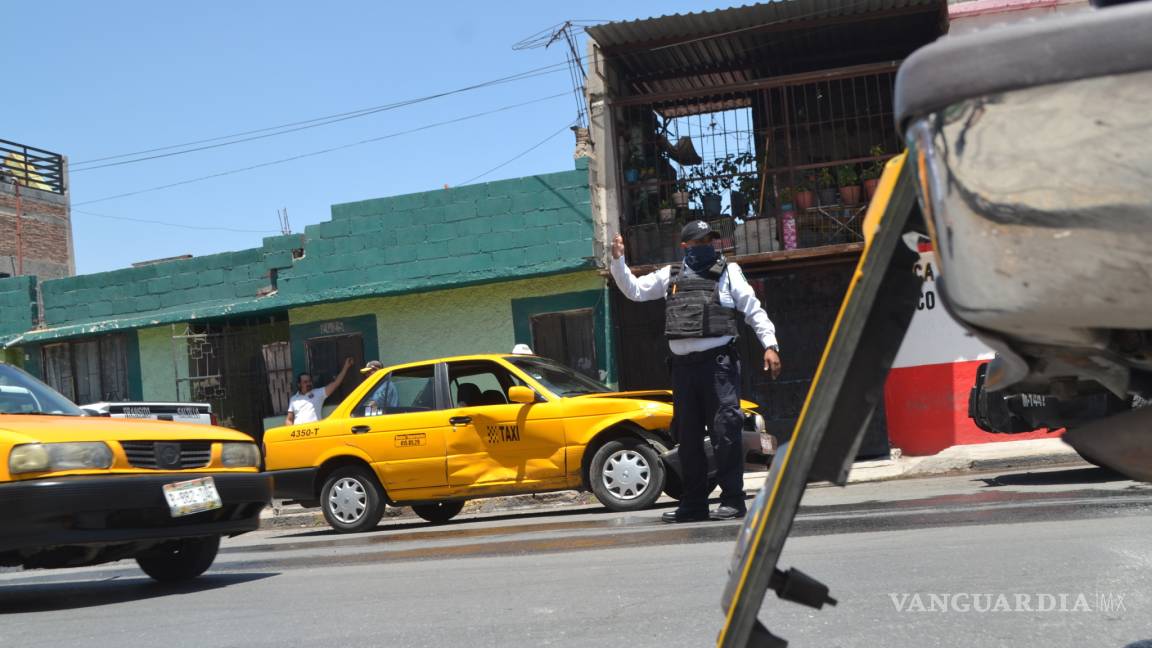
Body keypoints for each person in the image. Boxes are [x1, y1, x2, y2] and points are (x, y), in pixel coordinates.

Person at [610, 220, 782, 523]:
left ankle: (732, 500)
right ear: (685, 246)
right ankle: (694, 503)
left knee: (725, 434)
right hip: (683, 371)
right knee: (688, 439)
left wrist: (770, 344)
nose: (707, 247)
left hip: (717, 367)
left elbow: (753, 309)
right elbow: (635, 291)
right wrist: (618, 261)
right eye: (700, 242)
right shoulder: (670, 275)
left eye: (710, 242)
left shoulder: (728, 272)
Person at [285, 357, 354, 425]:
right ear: (299, 384)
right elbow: (289, 419)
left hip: (315, 432)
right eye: (305, 382)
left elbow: (336, 383)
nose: (308, 383)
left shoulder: (318, 393)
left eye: (309, 381)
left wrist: (346, 367)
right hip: (300, 433)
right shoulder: (294, 399)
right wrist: (290, 431)